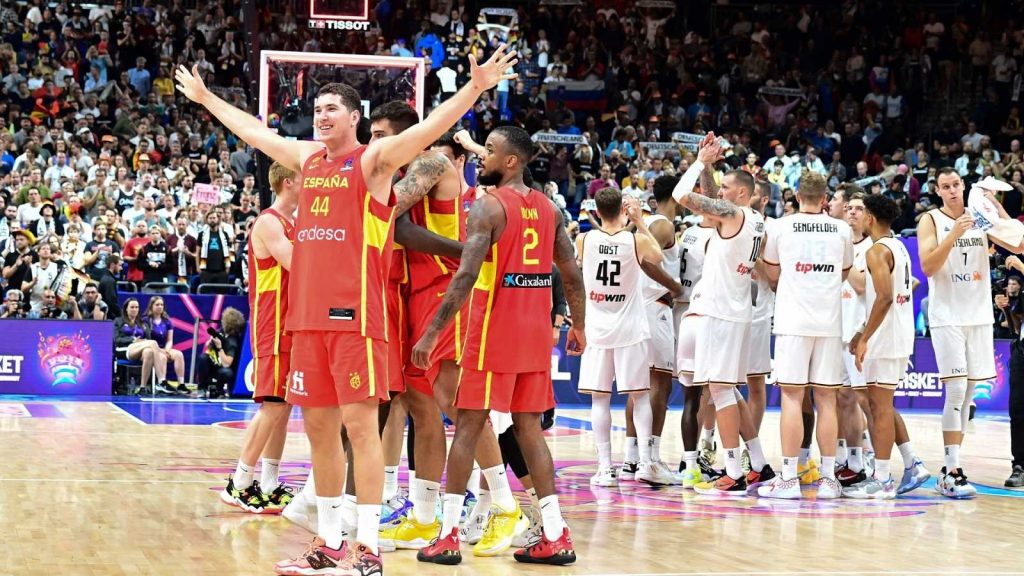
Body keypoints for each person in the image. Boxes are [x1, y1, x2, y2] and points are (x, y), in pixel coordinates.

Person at [176, 43, 518, 574]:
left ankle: (367, 550)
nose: (322, 115)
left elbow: (424, 133)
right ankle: (331, 542)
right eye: (317, 109)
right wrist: (205, 98)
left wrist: (474, 87)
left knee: (363, 430)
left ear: (354, 119)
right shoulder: (306, 160)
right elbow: (254, 133)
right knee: (318, 430)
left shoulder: (373, 161)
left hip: (355, 317)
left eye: (332, 109)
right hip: (307, 320)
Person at [412, 125, 587, 565]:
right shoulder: (549, 209)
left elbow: (465, 276)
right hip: (533, 337)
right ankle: (555, 532)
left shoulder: (488, 207)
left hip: (492, 333)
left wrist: (432, 332)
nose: (481, 157)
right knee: (530, 430)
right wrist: (578, 326)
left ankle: (448, 534)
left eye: (488, 151)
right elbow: (571, 272)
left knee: (468, 427)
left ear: (511, 161)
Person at [671, 133, 770, 496]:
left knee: (721, 392)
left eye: (727, 187)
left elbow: (682, 196)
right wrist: (710, 165)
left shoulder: (733, 214)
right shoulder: (754, 217)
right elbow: (713, 200)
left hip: (721, 313)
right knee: (730, 391)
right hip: (736, 310)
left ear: (741, 193)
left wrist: (696, 163)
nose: (721, 191)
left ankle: (732, 471)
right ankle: (758, 463)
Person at [916, 167, 1021, 498]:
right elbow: (929, 266)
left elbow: (1018, 243)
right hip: (948, 316)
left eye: (955, 185)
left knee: (970, 393)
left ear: (963, 186)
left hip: (978, 316)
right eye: (944, 186)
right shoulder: (931, 220)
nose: (951, 191)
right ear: (937, 190)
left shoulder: (979, 217)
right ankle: (951, 470)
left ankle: (953, 468)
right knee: (957, 392)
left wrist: (995, 207)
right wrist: (954, 234)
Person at [759, 172, 852, 500]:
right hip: (828, 322)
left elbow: (772, 272)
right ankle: (828, 479)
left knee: (792, 398)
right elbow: (844, 272)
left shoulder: (780, 226)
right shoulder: (842, 228)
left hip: (792, 321)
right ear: (825, 198)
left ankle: (788, 478)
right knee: (826, 399)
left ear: (797, 195)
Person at [221, 162, 299, 514]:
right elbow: (295, 262)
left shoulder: (295, 222)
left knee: (284, 406)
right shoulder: (268, 221)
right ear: (288, 182)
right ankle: (239, 482)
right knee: (273, 405)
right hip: (274, 321)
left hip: (294, 322)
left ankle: (268, 481)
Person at [575, 188, 664, 488]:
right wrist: (638, 221)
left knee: (600, 399)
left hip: (597, 330)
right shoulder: (635, 240)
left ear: (597, 211)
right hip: (631, 330)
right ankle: (648, 463)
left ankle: (604, 468)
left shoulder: (583, 239)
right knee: (639, 397)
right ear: (623, 210)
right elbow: (659, 255)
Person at [844, 194, 915, 498]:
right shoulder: (898, 246)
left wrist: (866, 338)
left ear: (870, 218)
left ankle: (883, 478)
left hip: (887, 338)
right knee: (879, 405)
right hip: (894, 333)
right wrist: (861, 332)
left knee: (881, 408)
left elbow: (884, 298)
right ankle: (895, 470)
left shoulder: (876, 251)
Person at [620, 175, 682, 486]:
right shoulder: (662, 224)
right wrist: (674, 285)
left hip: (639, 309)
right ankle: (651, 458)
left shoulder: (650, 223)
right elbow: (648, 261)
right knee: (660, 387)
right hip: (654, 307)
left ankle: (632, 459)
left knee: (639, 389)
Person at [142, 296, 188, 394]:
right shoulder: (146, 320)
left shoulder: (167, 321)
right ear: (151, 306)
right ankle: (162, 384)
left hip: (164, 348)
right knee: (162, 356)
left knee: (179, 354)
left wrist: (167, 350)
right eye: (157, 305)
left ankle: (181, 384)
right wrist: (161, 351)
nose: (160, 307)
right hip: (153, 349)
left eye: (162, 305)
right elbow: (146, 339)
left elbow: (169, 340)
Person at [113, 298, 161, 391]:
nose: (134, 309)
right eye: (132, 307)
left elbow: (148, 338)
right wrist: (133, 339)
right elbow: (116, 339)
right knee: (153, 343)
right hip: (123, 349)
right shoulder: (118, 321)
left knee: (148, 352)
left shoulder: (142, 323)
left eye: (136, 307)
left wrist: (142, 342)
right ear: (126, 309)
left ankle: (142, 387)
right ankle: (161, 381)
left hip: (140, 348)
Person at [198, 307, 245, 398]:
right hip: (214, 364)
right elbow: (207, 347)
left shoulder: (233, 341)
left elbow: (227, 364)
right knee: (203, 358)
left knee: (226, 372)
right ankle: (202, 387)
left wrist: (219, 348)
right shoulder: (221, 331)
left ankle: (219, 390)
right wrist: (210, 343)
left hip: (223, 368)